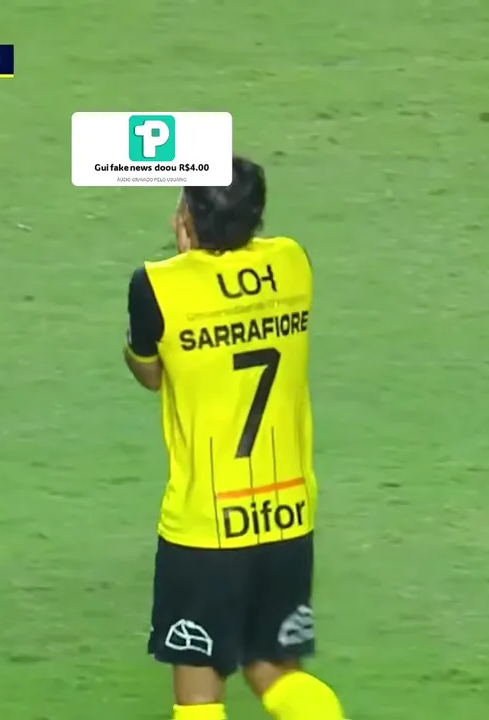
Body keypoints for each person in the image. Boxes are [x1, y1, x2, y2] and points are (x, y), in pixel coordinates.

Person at [123, 155, 346, 720]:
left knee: (198, 694)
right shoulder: (293, 262)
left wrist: (188, 262)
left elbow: (150, 373)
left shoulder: (156, 286)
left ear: (188, 220)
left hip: (207, 524)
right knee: (275, 672)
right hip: (286, 514)